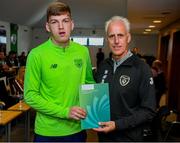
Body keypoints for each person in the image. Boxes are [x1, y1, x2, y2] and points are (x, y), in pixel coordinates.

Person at [24, 1, 94, 142]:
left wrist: (95, 114)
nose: (61, 27)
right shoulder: (36, 54)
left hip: (77, 129)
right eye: (55, 22)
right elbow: (30, 95)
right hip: (47, 132)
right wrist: (65, 112)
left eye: (65, 21)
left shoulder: (83, 51)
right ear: (48, 27)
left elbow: (88, 83)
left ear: (72, 24)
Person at [93, 16, 156, 141]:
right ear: (107, 39)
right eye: (112, 36)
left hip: (128, 138)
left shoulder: (141, 68)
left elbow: (148, 111)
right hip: (104, 137)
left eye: (120, 35)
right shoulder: (103, 66)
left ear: (128, 37)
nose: (116, 41)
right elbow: (96, 98)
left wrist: (117, 125)